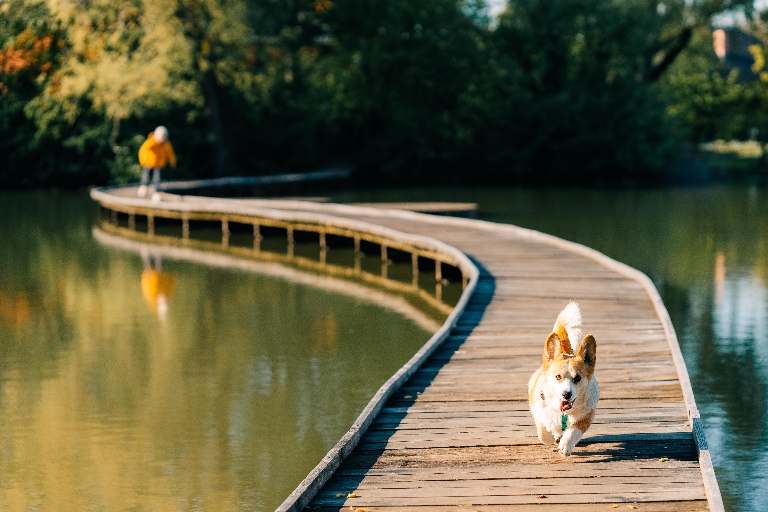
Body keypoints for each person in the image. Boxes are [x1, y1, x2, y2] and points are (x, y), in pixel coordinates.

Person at [137, 126, 176, 200]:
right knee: (146, 176)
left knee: (157, 179)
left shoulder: (166, 144)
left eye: (164, 137)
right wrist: (144, 161)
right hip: (149, 163)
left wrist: (172, 162)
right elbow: (143, 151)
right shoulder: (151, 142)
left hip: (159, 165)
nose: (162, 139)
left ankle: (156, 193)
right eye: (161, 137)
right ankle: (143, 188)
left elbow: (170, 154)